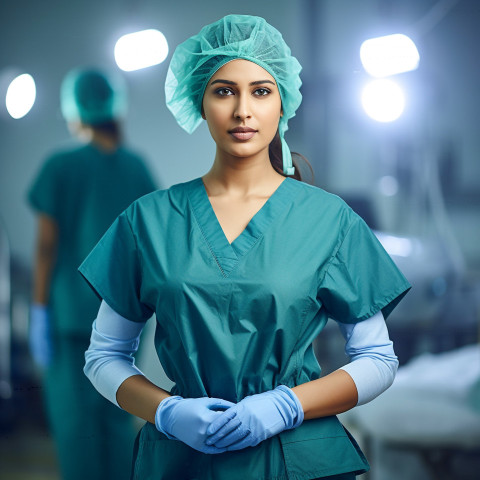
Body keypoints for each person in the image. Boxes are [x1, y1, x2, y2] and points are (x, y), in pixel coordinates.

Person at [80, 15, 411, 480]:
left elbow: (378, 359)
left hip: (297, 459)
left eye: (260, 91)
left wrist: (287, 405)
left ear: (282, 103)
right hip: (182, 460)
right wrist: (167, 412)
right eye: (223, 91)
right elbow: (104, 356)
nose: (242, 111)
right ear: (200, 100)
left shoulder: (328, 220)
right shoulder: (148, 221)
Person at [27, 68, 157, 480]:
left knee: (77, 431)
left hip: (70, 321)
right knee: (118, 423)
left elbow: (46, 246)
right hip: (125, 319)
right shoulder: (136, 168)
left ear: (75, 110)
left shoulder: (61, 166)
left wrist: (39, 309)